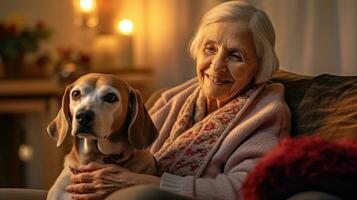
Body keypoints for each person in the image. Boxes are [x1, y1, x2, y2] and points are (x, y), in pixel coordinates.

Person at [65, 1, 290, 199]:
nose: (216, 65)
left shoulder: (267, 113)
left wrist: (146, 184)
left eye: (235, 56)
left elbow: (246, 189)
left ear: (259, 67)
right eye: (210, 49)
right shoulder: (174, 98)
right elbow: (122, 151)